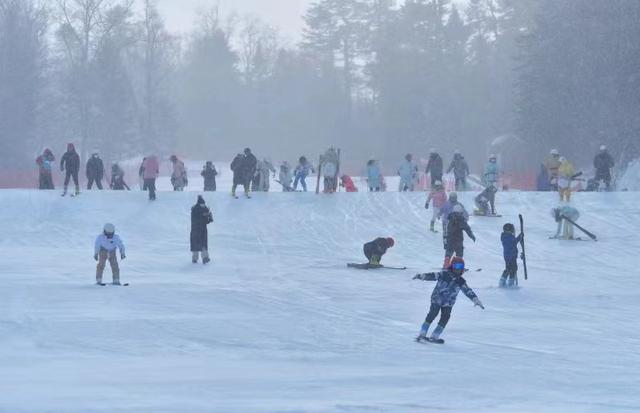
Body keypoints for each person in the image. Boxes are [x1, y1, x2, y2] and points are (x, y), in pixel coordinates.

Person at [413, 257, 484, 343]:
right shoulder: (444, 274)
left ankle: (435, 335)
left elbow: (468, 291)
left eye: (460, 266)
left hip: (448, 303)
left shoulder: (461, 281)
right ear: (452, 266)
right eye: (456, 266)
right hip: (437, 299)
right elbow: (432, 276)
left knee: (445, 318)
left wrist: (475, 299)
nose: (458, 268)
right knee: (432, 314)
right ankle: (422, 333)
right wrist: (421, 276)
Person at [443, 204, 476, 269]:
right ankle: (457, 267)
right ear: (460, 212)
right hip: (458, 240)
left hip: (450, 239)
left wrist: (445, 241)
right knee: (459, 253)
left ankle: (446, 265)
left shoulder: (450, 219)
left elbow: (445, 230)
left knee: (449, 253)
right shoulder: (460, 220)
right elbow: (467, 228)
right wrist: (471, 236)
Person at [191, 195, 214, 264]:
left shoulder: (205, 209)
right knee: (195, 245)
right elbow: (195, 220)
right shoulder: (195, 209)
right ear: (199, 203)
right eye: (202, 204)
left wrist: (209, 217)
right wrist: (203, 215)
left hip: (203, 230)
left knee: (203, 244)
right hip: (195, 230)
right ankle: (194, 258)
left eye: (204, 204)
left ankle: (205, 258)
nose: (203, 205)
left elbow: (206, 221)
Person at [500, 223, 523, 288]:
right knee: (509, 268)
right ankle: (503, 281)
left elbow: (513, 242)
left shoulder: (507, 236)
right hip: (510, 256)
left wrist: (519, 237)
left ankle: (511, 281)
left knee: (513, 269)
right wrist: (520, 237)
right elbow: (514, 242)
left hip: (511, 256)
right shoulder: (506, 237)